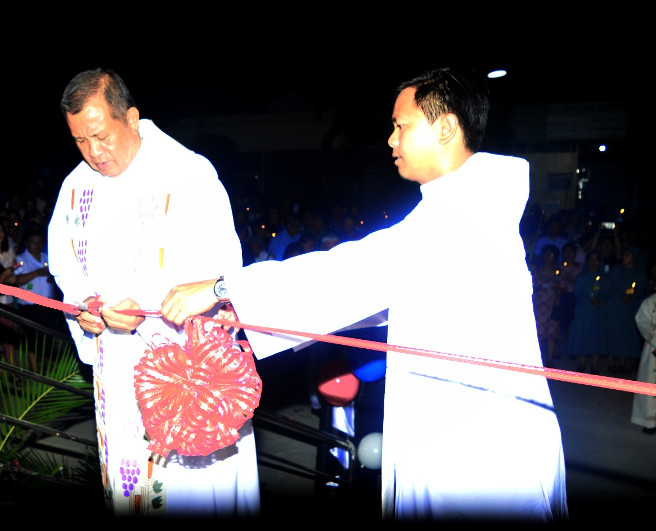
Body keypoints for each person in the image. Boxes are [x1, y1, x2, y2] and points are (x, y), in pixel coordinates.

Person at [161, 67, 568, 522]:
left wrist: (224, 287)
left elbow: (350, 274)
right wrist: (243, 309)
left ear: (447, 127)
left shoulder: (458, 221)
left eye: (401, 126)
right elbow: (393, 297)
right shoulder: (460, 209)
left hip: (479, 448)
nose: (391, 141)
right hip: (465, 433)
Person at [47, 68, 259, 519]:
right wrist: (86, 306)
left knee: (192, 488)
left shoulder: (187, 173)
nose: (94, 152)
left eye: (101, 136)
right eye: (80, 141)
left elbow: (222, 270)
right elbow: (64, 267)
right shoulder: (75, 187)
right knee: (131, 487)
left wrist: (143, 305)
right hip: (116, 372)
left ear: (132, 118)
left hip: (184, 370)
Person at [566, 249, 610, 374]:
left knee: (596, 336)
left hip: (597, 312)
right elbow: (576, 292)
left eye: (596, 259)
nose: (593, 262)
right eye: (591, 259)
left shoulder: (605, 278)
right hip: (583, 310)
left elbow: (607, 292)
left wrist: (601, 300)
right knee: (582, 335)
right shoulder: (581, 276)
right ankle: (582, 362)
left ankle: (595, 365)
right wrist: (588, 299)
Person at [631, 292, 656, 434]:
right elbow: (641, 318)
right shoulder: (651, 301)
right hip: (653, 348)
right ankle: (649, 421)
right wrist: (653, 338)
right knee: (650, 383)